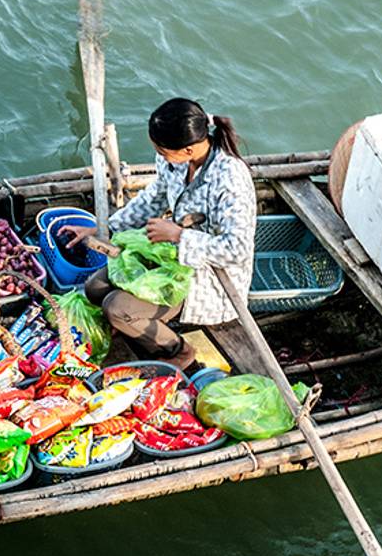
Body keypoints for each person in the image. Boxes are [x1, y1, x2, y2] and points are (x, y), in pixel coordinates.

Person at [62, 98, 257, 369]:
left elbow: (237, 249)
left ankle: (178, 351)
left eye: (163, 151)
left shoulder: (230, 180)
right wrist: (104, 227)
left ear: (188, 149)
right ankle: (133, 324)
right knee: (95, 288)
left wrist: (179, 236)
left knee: (117, 308)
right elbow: (153, 198)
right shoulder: (176, 161)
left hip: (206, 279)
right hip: (169, 258)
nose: (160, 156)